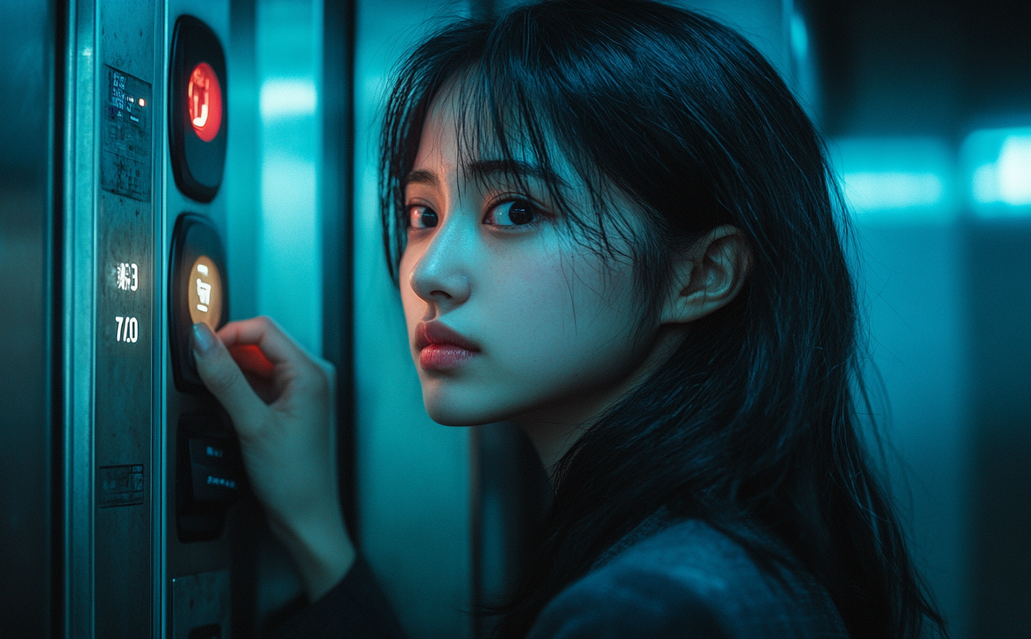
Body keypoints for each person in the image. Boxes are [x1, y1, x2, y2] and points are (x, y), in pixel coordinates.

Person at [190, 1, 945, 636]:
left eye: (515, 210)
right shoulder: (726, 556)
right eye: (423, 212)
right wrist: (316, 531)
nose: (428, 272)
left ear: (700, 274)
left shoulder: (656, 607)